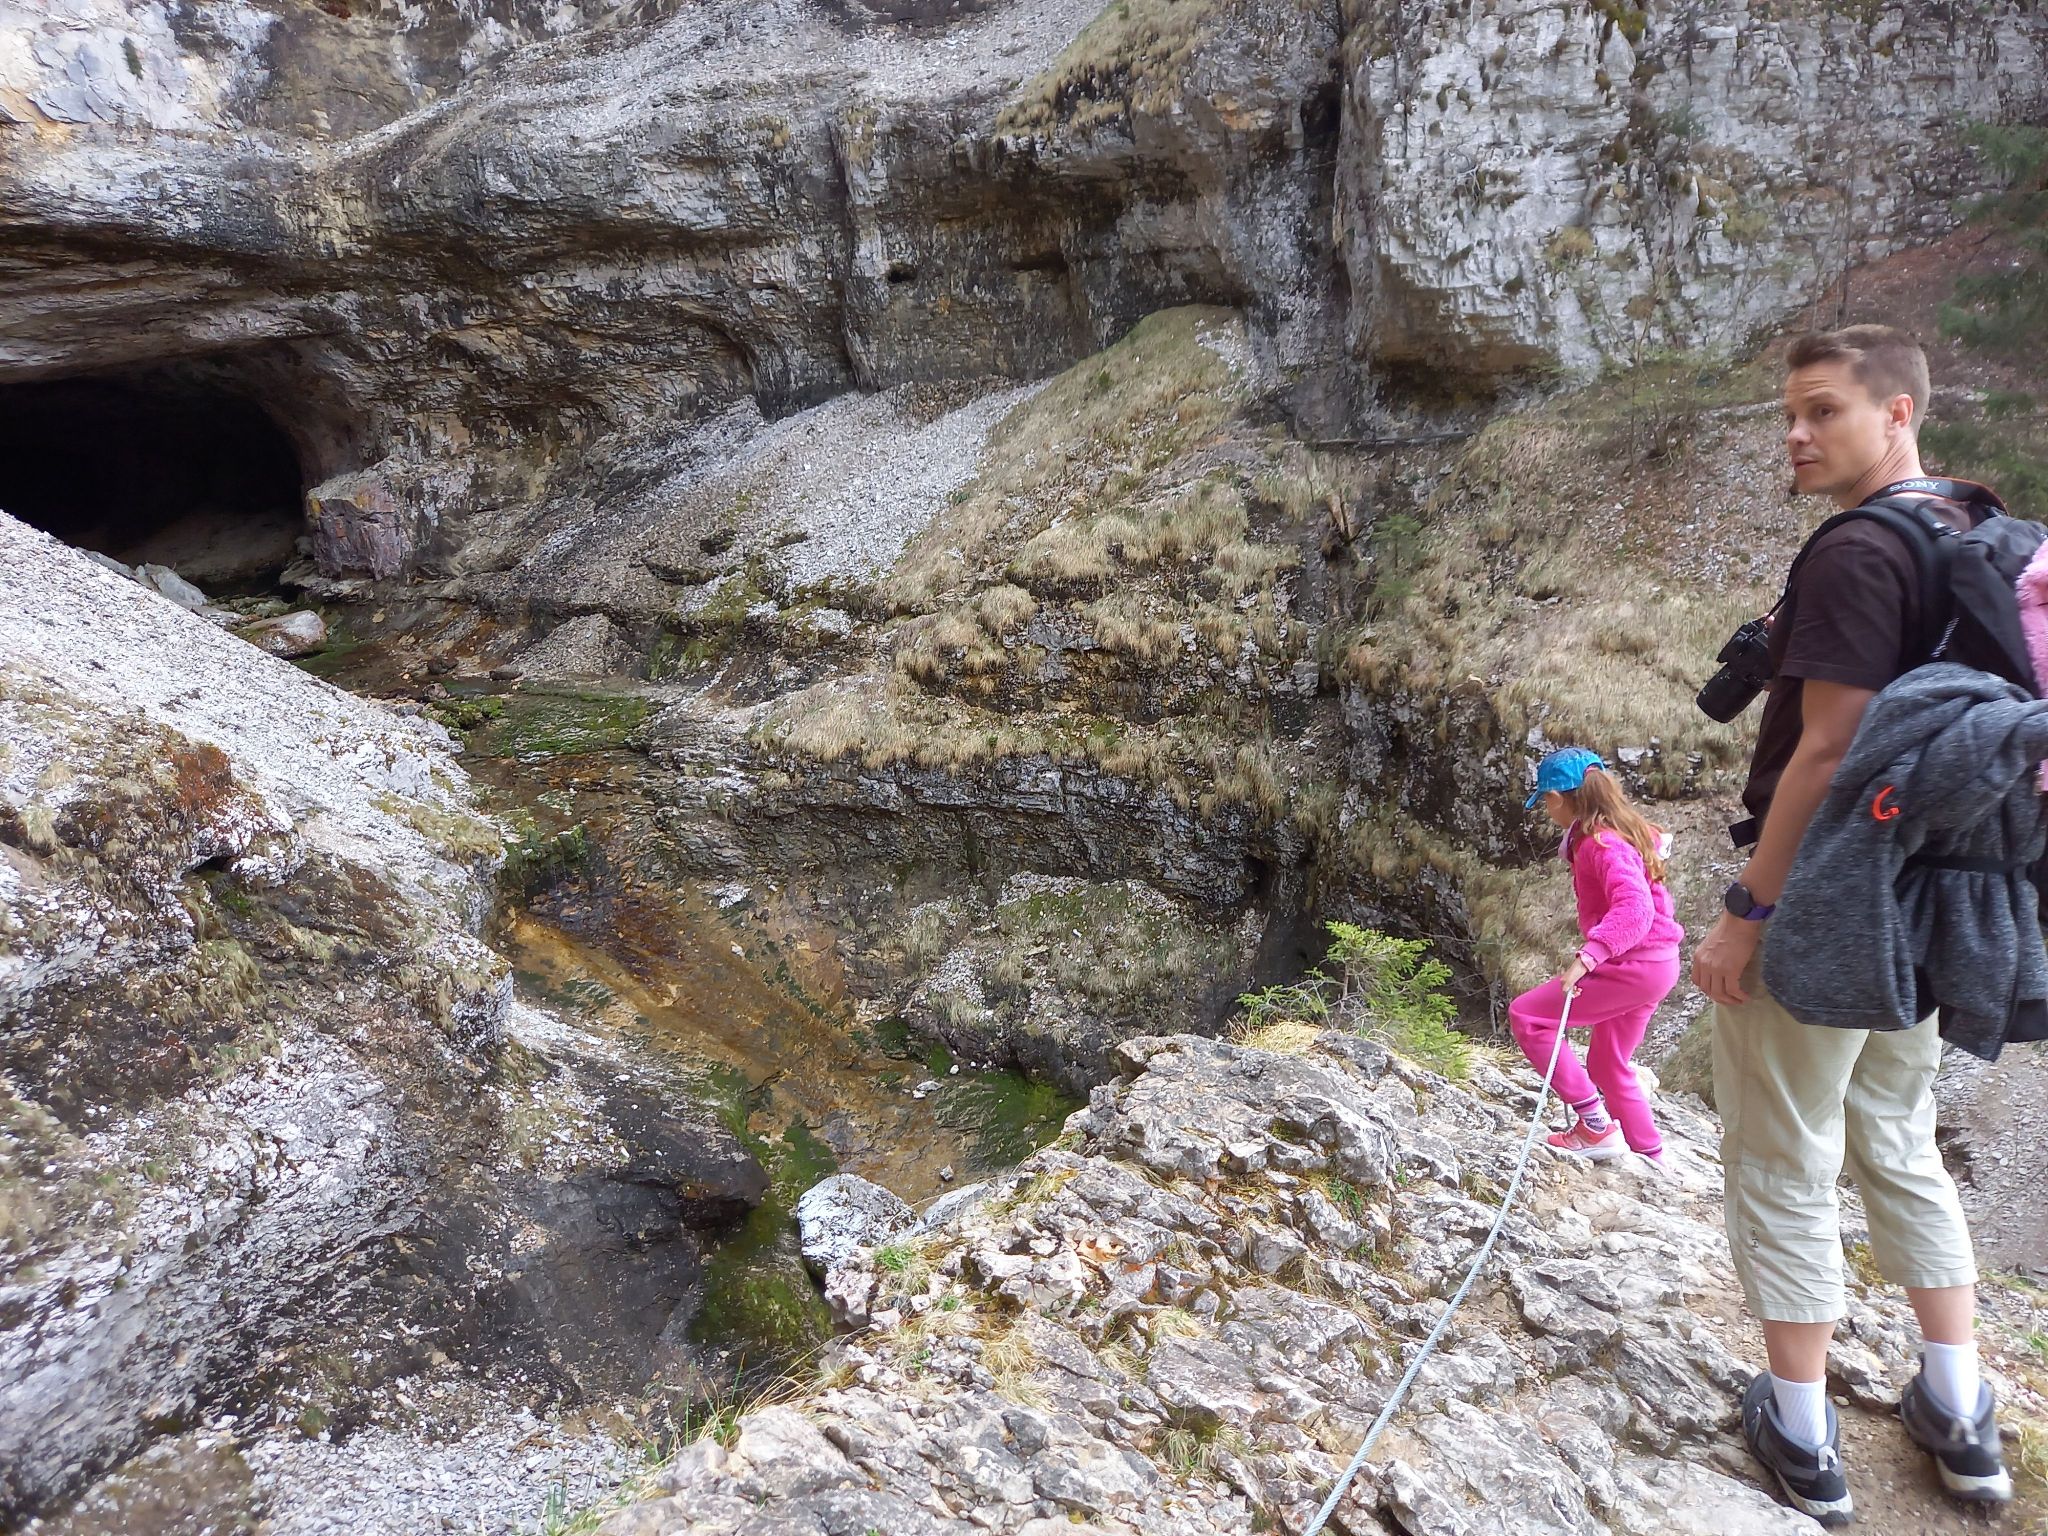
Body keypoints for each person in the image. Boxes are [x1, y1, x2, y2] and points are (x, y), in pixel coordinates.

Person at [1691, 324, 2012, 1525]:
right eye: (1788, 412)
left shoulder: (1855, 552)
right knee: (1895, 1134)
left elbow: (1824, 752)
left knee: (1781, 1149)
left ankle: (1799, 1428)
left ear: (1896, 412)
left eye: (1822, 409)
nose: (1795, 433)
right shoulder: (1967, 525)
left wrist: (1746, 912)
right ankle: (1958, 1412)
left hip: (1828, 901)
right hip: (1934, 899)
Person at [1507, 747, 1683, 1169]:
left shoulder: (1599, 844)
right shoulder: (1625, 831)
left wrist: (1589, 957)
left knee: (1528, 1017)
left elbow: (1635, 909)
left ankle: (1595, 1126)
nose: (1547, 810)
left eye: (1545, 802)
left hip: (1632, 965)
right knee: (1608, 1062)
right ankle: (1652, 1156)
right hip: (1660, 963)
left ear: (1557, 799)